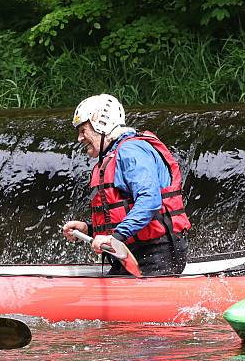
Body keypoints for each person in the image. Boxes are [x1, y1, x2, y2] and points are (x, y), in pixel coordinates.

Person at [61, 94, 191, 276]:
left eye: (83, 130)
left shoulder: (131, 151)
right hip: (136, 253)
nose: (79, 138)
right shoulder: (114, 154)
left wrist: (115, 237)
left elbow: (150, 201)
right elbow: (122, 211)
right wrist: (89, 228)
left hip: (156, 253)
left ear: (101, 124)